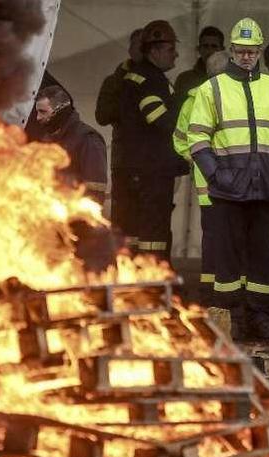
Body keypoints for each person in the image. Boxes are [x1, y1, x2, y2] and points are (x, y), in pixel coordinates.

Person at [187, 18, 269, 340]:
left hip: (267, 189)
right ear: (231, 51)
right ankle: (232, 318)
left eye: (252, 51)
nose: (247, 56)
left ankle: (259, 316)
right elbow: (197, 139)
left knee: (261, 259)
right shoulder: (212, 89)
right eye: (240, 51)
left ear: (260, 51)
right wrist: (217, 175)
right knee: (227, 262)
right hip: (228, 191)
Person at [119, 20, 188, 260]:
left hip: (139, 166)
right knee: (153, 228)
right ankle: (154, 282)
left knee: (138, 227)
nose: (176, 54)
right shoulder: (152, 79)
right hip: (153, 169)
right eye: (171, 49)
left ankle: (140, 279)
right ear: (155, 50)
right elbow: (158, 118)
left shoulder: (137, 76)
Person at [172, 51, 230, 304]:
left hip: (216, 184)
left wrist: (197, 160)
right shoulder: (232, 99)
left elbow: (180, 141)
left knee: (214, 238)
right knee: (226, 237)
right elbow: (181, 140)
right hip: (226, 185)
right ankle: (220, 289)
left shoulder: (192, 101)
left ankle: (214, 289)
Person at [35, 86, 113, 272]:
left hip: (78, 231)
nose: (38, 118)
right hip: (50, 227)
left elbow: (95, 190)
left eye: (43, 112)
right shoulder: (48, 139)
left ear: (61, 109)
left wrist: (78, 225)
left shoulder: (87, 139)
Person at [96, 28, 143, 245]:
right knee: (122, 217)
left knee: (150, 221)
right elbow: (102, 116)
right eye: (138, 45)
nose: (142, 51)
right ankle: (120, 265)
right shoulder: (114, 81)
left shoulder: (159, 81)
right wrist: (126, 102)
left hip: (153, 164)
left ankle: (150, 267)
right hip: (124, 160)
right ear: (131, 49)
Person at [173, 25, 225, 103]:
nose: (210, 51)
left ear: (222, 50)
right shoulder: (185, 79)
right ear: (199, 49)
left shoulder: (231, 78)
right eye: (205, 46)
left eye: (214, 46)